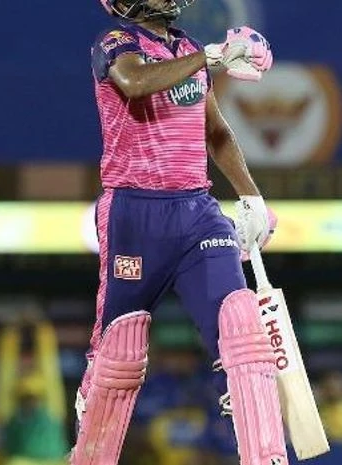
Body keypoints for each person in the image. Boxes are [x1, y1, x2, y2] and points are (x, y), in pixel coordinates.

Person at [70, 1, 284, 465]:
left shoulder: (185, 47)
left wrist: (251, 198)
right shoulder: (115, 43)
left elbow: (217, 133)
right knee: (119, 356)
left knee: (242, 330)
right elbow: (134, 82)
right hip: (135, 213)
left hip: (198, 212)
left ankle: (266, 456)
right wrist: (210, 56)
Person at [1, 375, 68, 465]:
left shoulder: (51, 416)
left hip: (52, 461)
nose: (29, 403)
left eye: (33, 398)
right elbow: (9, 449)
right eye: (25, 399)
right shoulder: (14, 422)